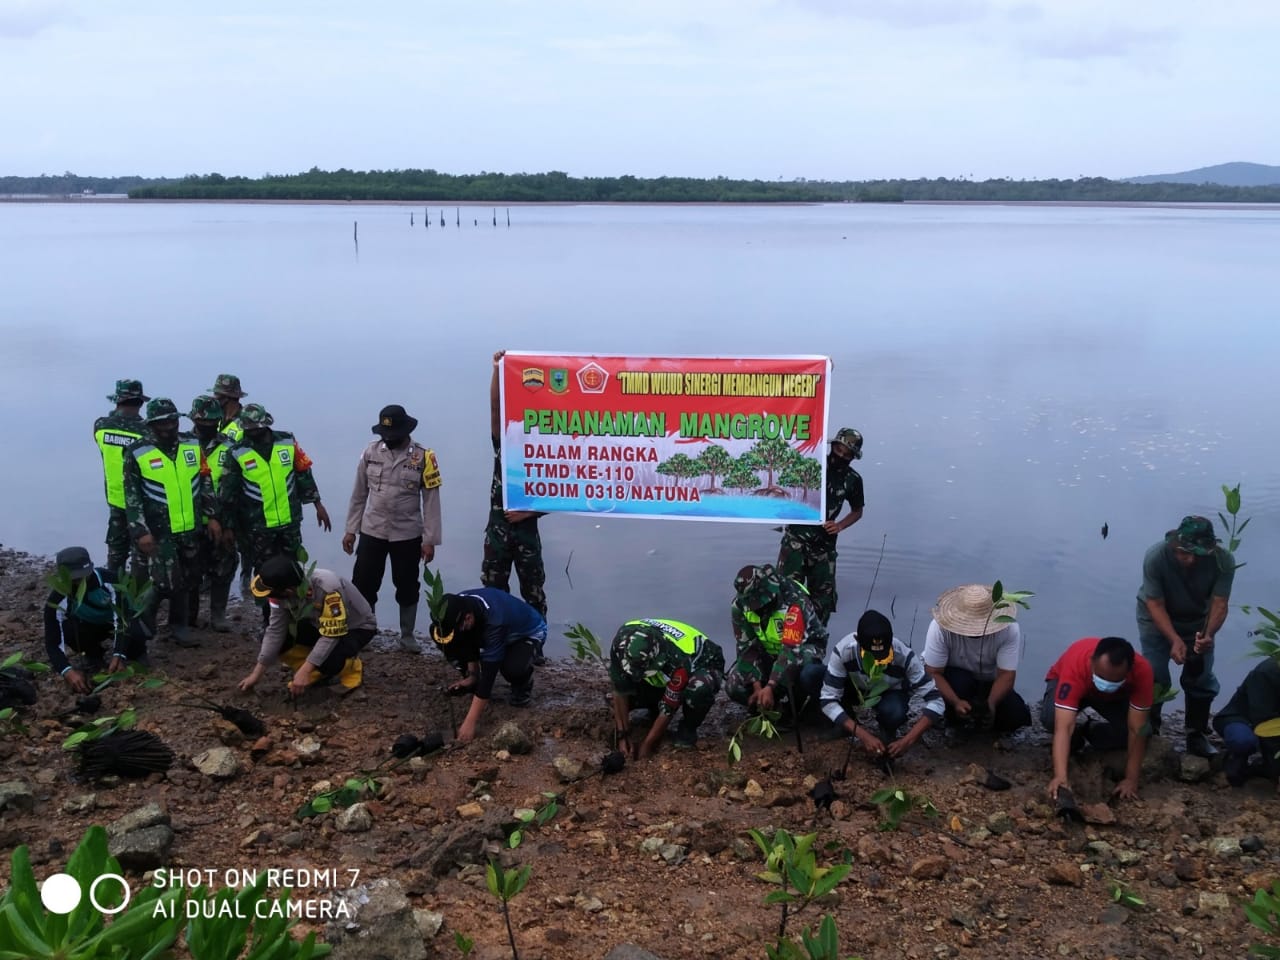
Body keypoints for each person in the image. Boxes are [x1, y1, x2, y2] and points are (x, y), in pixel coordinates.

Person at [342, 404, 442, 653]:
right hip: (372, 530)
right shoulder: (370, 452)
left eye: (393, 435)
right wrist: (351, 529)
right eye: (385, 435)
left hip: (407, 534)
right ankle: (365, 629)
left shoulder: (424, 457)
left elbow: (431, 501)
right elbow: (358, 494)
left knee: (407, 585)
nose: (389, 439)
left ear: (405, 431)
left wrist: (430, 539)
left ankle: (407, 636)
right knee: (364, 582)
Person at [1136, 515, 1235, 758]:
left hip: (1199, 621)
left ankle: (1196, 734)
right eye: (1184, 553)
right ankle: (1151, 730)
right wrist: (1174, 640)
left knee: (1200, 675)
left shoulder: (1223, 560)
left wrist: (1207, 636)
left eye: (1198, 554)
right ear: (1174, 544)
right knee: (1155, 673)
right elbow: (1155, 603)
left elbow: (1220, 603)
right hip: (1155, 618)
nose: (1190, 559)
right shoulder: (1156, 557)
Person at [122, 398, 218, 648]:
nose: (169, 426)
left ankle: (179, 626)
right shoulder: (137, 452)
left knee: (187, 579)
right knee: (163, 581)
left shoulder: (193, 445)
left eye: (173, 421)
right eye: (162, 422)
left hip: (190, 527)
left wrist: (212, 517)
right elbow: (131, 498)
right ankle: (142, 624)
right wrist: (140, 531)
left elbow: (205, 482)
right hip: (158, 531)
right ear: (152, 424)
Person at [217, 404, 331, 594]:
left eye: (256, 427)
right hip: (258, 525)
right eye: (249, 428)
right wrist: (228, 526)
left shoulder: (287, 442)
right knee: (264, 572)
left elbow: (303, 473)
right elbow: (228, 493)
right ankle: (268, 616)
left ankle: (296, 613)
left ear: (265, 424)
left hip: (290, 521)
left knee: (295, 568)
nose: (253, 431)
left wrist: (318, 505)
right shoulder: (237, 452)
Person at [238, 555, 375, 695]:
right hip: (317, 624)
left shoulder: (328, 589)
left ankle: (351, 669)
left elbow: (331, 635)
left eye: (272, 593)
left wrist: (305, 670)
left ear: (288, 591)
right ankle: (317, 672)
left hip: (354, 628)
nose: (270, 597)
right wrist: (256, 675)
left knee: (330, 659)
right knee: (279, 641)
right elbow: (275, 631)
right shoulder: (281, 591)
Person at [819, 609, 943, 759]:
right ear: (858, 641)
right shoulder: (844, 651)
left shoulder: (904, 655)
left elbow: (936, 700)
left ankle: (887, 730)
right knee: (812, 675)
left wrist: (908, 740)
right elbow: (827, 700)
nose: (877, 661)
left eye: (883, 654)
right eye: (871, 656)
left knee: (895, 710)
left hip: (889, 694)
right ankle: (843, 724)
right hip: (854, 691)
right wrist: (862, 734)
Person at [1042, 636, 1154, 801]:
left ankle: (1091, 730)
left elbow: (1136, 729)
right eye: (1102, 676)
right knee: (1052, 719)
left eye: (1114, 679)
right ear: (1092, 661)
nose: (1107, 682)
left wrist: (1131, 779)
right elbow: (1063, 727)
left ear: (1129, 671)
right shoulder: (1077, 662)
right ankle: (1075, 737)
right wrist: (1060, 776)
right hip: (1075, 684)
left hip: (1115, 697)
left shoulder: (1142, 671)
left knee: (1145, 733)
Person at [429, 588, 548, 742]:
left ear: (468, 617)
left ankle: (523, 686)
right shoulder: (455, 606)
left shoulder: (496, 622)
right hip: (491, 631)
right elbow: (466, 639)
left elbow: (489, 676)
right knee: (454, 641)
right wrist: (472, 676)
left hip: (527, 632)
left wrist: (470, 722)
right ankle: (473, 678)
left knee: (512, 669)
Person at [776, 426, 865, 626]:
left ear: (852, 456)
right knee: (784, 596)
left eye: (846, 453)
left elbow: (857, 510)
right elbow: (783, 482)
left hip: (824, 548)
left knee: (822, 602)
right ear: (832, 446)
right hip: (795, 543)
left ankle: (815, 645)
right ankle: (783, 647)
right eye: (838, 449)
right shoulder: (811, 465)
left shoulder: (853, 480)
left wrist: (840, 525)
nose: (840, 455)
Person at [483, 350, 547, 615]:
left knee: (533, 592)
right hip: (497, 532)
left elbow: (566, 493)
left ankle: (536, 647)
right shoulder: (505, 447)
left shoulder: (546, 457)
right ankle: (496, 642)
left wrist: (528, 513)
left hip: (526, 535)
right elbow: (496, 409)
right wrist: (498, 370)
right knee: (492, 592)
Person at [922, 584, 1032, 735]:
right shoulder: (940, 628)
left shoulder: (1008, 628)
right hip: (955, 681)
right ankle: (954, 719)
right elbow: (933, 672)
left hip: (990, 683)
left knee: (1018, 716)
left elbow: (1006, 675)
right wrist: (955, 702)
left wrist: (991, 704)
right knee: (962, 682)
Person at [609, 618, 725, 757]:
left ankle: (687, 730)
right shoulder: (620, 643)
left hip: (704, 664)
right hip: (667, 667)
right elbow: (620, 690)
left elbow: (668, 709)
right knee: (620, 698)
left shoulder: (679, 661)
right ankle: (652, 704)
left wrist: (647, 745)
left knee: (699, 688)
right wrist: (623, 736)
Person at [44, 546, 150, 690]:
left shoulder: (111, 581)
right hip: (87, 626)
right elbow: (52, 642)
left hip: (115, 622)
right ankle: (94, 655)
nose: (80, 583)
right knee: (69, 629)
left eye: (83, 577)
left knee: (135, 637)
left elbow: (122, 619)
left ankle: (134, 653)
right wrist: (66, 670)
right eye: (74, 579)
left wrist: (119, 653)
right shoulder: (57, 598)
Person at [726, 564, 827, 713]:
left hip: (802, 649)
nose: (756, 608)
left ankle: (800, 707)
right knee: (734, 685)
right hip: (768, 651)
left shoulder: (794, 603)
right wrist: (757, 686)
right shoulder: (740, 605)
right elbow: (746, 647)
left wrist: (771, 686)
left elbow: (791, 650)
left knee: (807, 672)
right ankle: (770, 708)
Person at [186, 395, 236, 631]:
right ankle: (190, 617)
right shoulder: (182, 445)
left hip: (223, 518)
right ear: (194, 420)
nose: (207, 426)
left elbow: (237, 488)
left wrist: (229, 524)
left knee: (224, 567)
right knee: (191, 571)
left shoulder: (229, 446)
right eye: (202, 422)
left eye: (212, 422)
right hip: (190, 520)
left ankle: (218, 614)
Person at [94, 378, 149, 577]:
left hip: (115, 499)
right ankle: (137, 600)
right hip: (141, 502)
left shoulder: (101, 426)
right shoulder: (147, 431)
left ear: (117, 401)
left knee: (116, 552)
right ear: (141, 403)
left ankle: (111, 593)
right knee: (141, 554)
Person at [1213, 657, 1280, 786]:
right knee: (1242, 741)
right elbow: (1265, 722)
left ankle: (1266, 763)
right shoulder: (1267, 671)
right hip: (1244, 719)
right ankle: (1235, 760)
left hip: (1272, 721)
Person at [211, 373, 248, 443]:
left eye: (217, 396)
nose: (214, 400)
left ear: (227, 398)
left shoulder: (249, 422)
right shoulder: (214, 419)